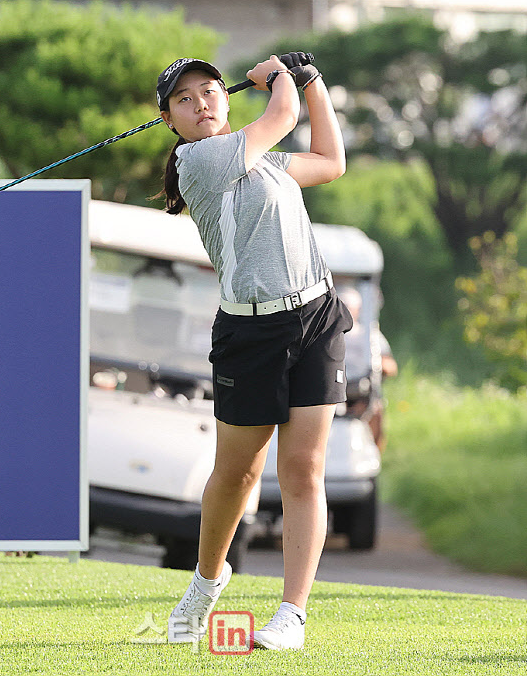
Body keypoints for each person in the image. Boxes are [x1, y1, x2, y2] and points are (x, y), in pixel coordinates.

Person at [154, 52, 353, 651]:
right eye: (184, 100)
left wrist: (314, 81)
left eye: (210, 91)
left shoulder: (263, 162)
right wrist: (285, 80)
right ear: (168, 120)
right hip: (250, 335)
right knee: (236, 474)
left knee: (303, 470)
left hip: (315, 318)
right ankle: (206, 582)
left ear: (227, 98)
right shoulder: (199, 162)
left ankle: (291, 615)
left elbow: (331, 161)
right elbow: (283, 111)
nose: (201, 103)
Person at [336, 285, 398, 451]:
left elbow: (389, 365)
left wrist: (380, 367)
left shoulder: (368, 334)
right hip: (333, 387)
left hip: (360, 388)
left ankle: (373, 453)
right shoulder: (327, 335)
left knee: (376, 409)